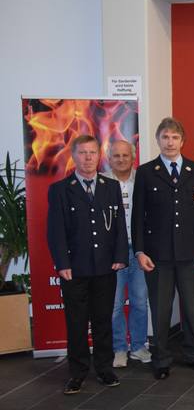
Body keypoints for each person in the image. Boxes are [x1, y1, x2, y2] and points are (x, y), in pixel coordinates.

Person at [132, 117, 194, 380]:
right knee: (161, 310)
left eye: (175, 137)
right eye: (165, 137)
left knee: (192, 308)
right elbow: (138, 216)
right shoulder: (146, 172)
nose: (170, 142)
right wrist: (140, 251)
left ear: (183, 141)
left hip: (191, 253)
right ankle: (161, 359)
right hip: (158, 255)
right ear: (158, 140)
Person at [48, 135, 128, 394]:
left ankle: (104, 369)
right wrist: (62, 263)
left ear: (99, 155)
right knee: (77, 322)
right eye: (82, 153)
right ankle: (78, 373)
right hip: (74, 268)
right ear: (74, 156)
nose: (88, 157)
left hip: (105, 267)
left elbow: (119, 225)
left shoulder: (110, 186)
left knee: (103, 319)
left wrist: (120, 256)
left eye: (92, 152)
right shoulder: (61, 189)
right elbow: (56, 231)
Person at [105, 140, 151, 368]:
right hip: (113, 254)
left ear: (133, 157)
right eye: (116, 156)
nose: (121, 159)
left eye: (125, 155)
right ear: (109, 159)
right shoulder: (102, 183)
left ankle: (139, 346)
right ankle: (119, 348)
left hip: (140, 250)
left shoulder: (143, 180)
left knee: (140, 302)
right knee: (114, 305)